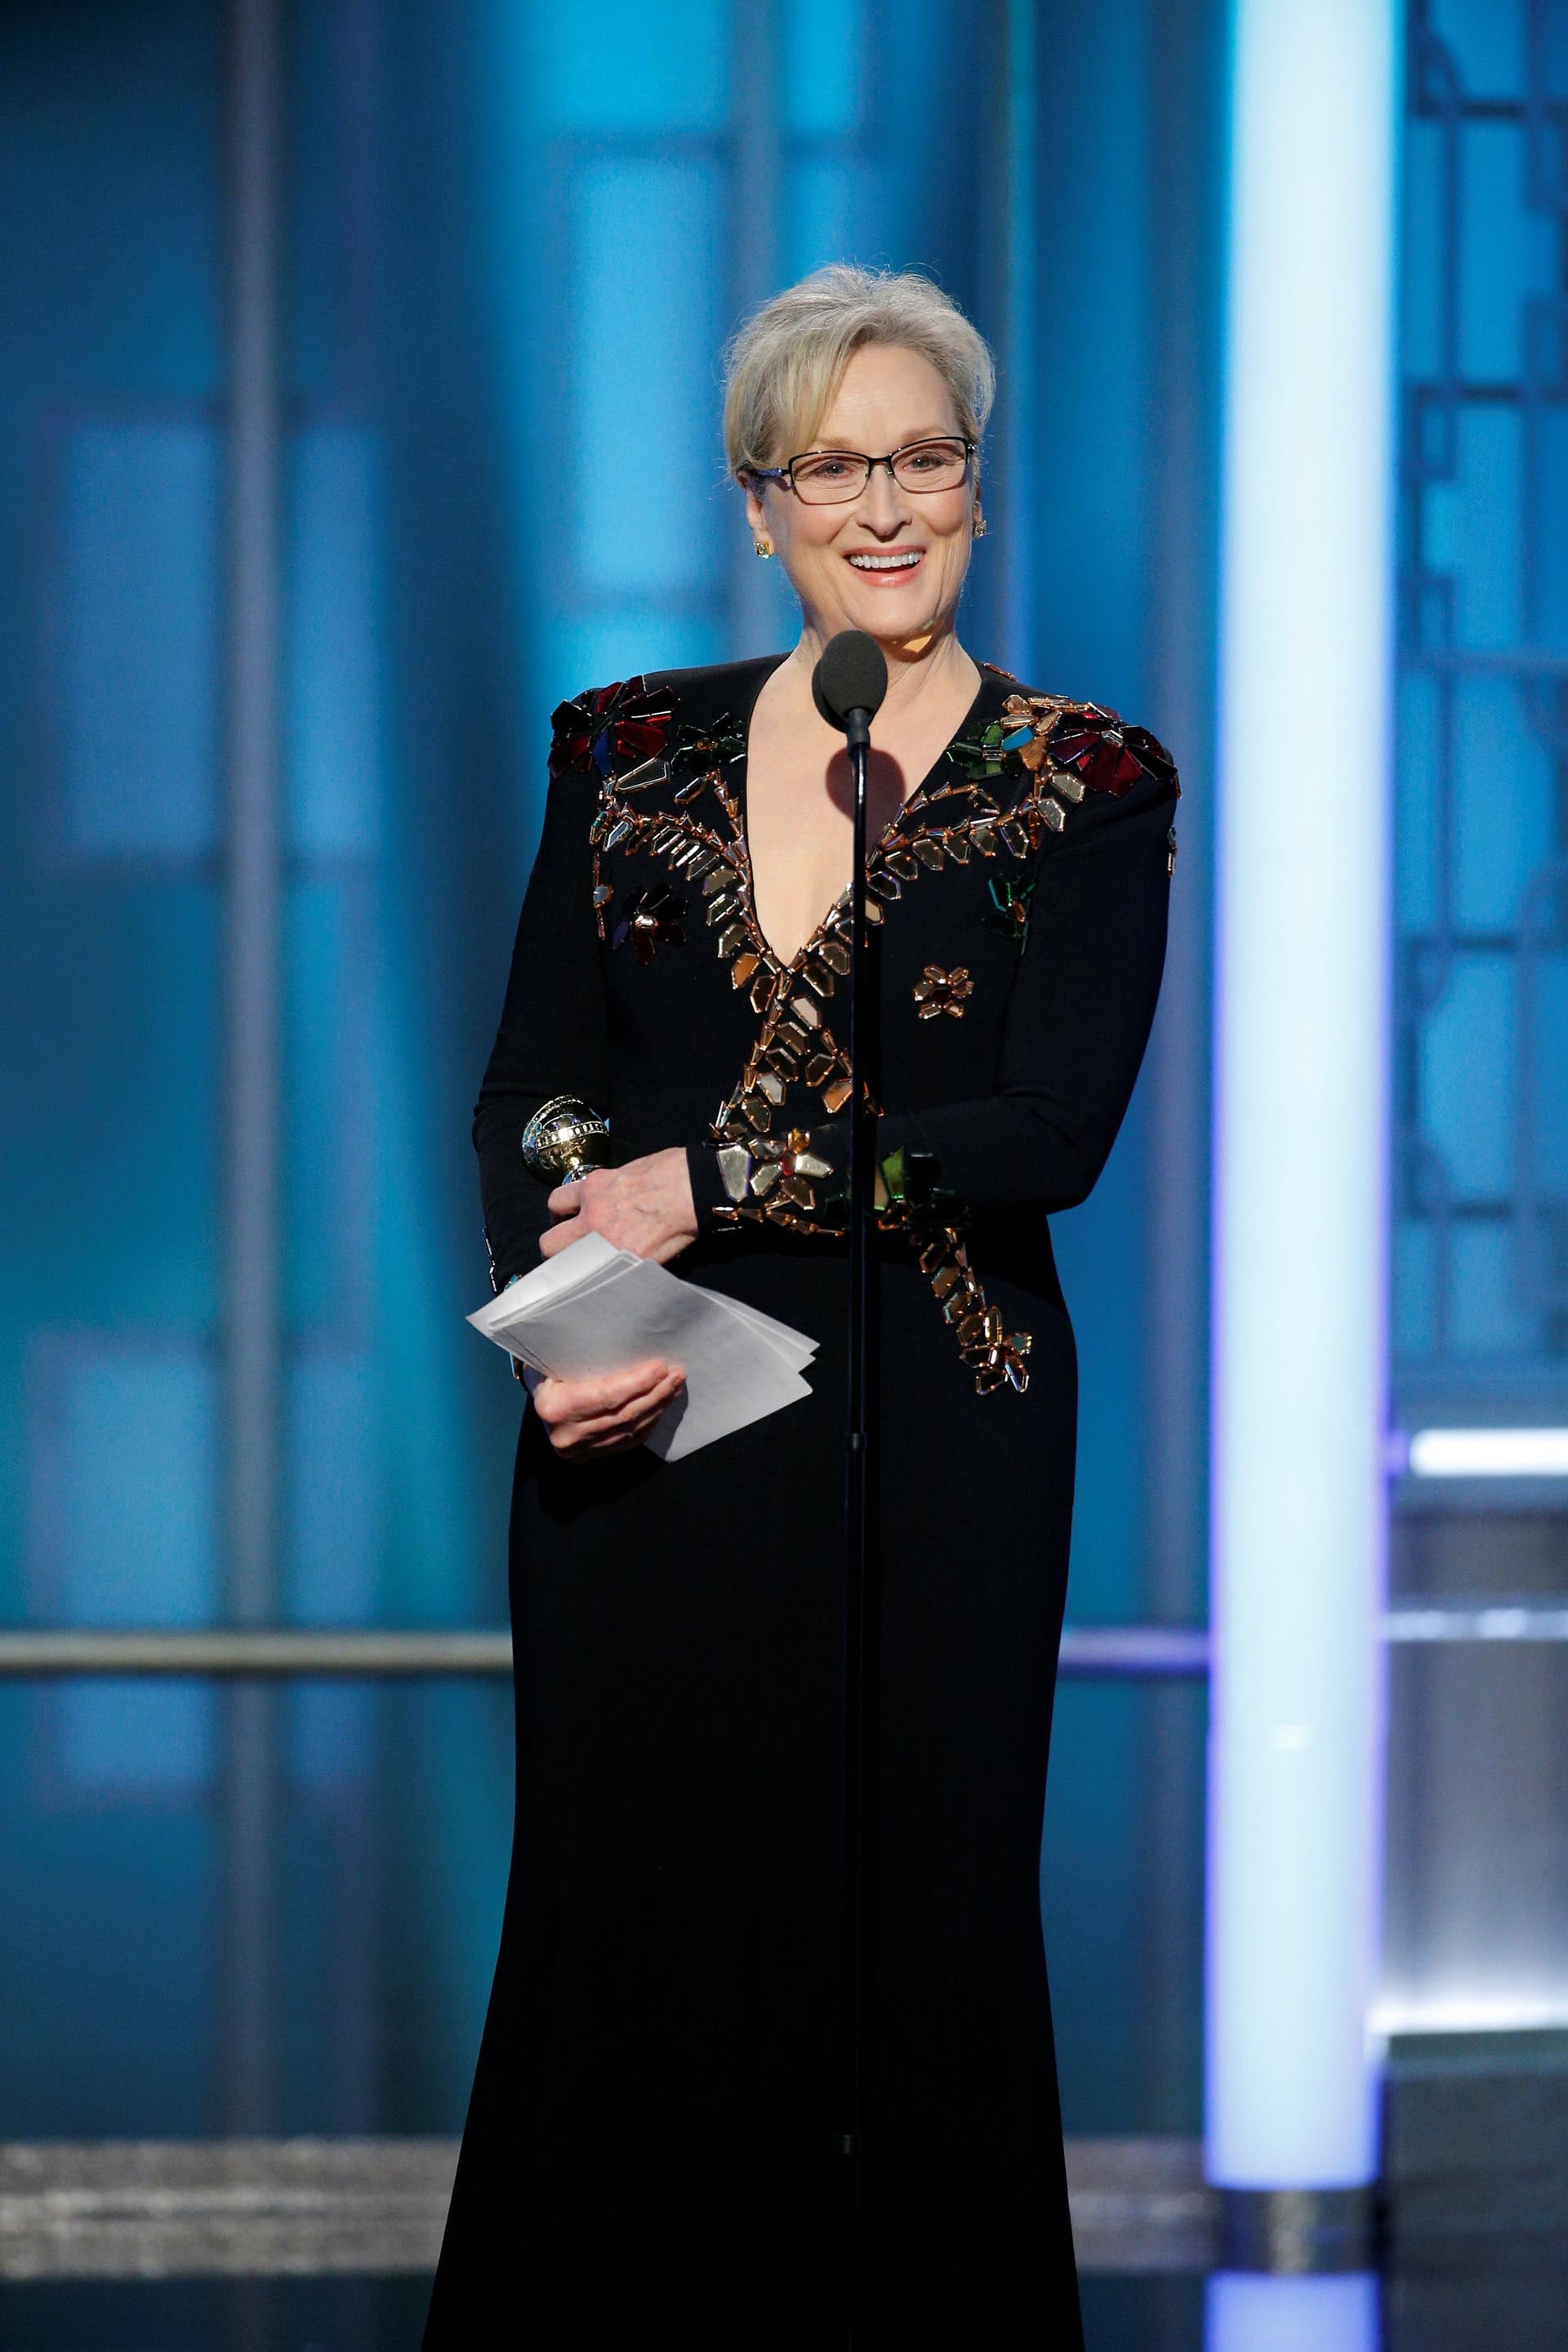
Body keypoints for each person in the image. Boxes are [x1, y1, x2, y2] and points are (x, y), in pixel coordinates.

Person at [423, 263, 1178, 2347]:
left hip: (938, 1433)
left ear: (977, 493)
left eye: (922, 458)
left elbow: (1044, 1130)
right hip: (646, 1419)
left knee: (906, 1942)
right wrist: (570, 1303)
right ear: (758, 505)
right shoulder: (627, 748)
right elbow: (532, 1085)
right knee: (628, 1927)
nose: (882, 504)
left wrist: (720, 1177)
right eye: (831, 465)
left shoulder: (1086, 786)